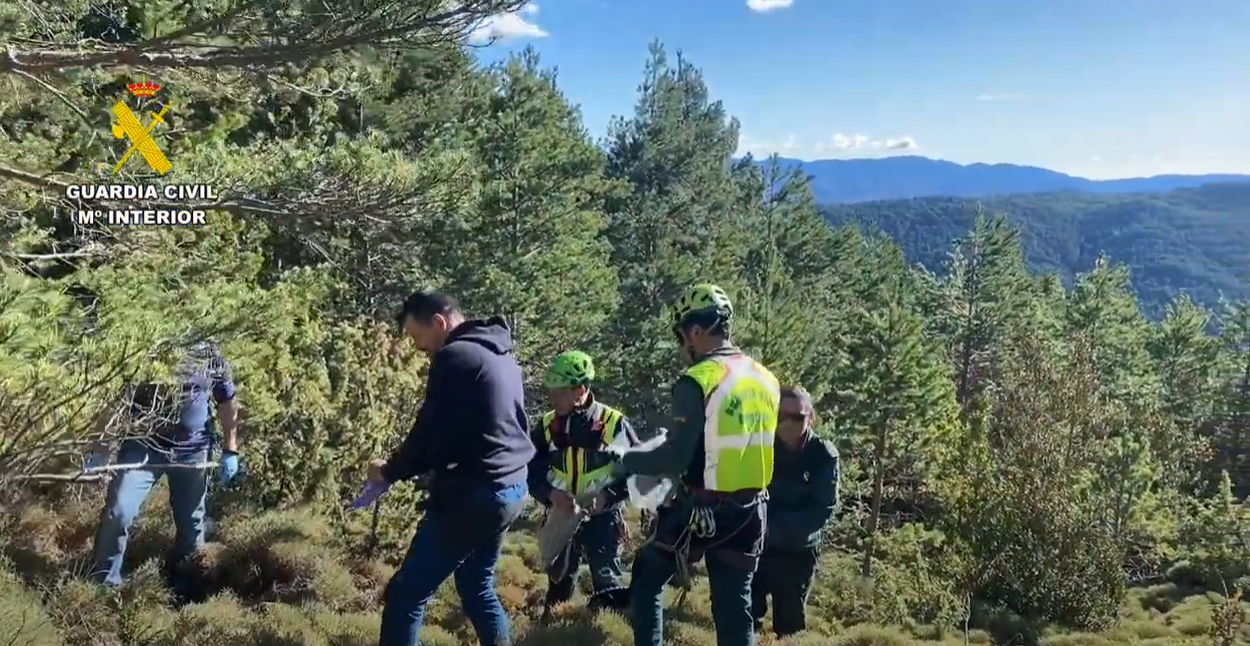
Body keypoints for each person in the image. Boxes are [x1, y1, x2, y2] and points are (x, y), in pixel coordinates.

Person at [613, 284, 780, 646]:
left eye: (681, 337)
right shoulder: (765, 377)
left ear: (695, 332)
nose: (682, 347)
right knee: (734, 606)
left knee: (646, 579)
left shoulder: (699, 379)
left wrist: (625, 461)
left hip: (703, 510)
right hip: (752, 510)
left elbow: (674, 458)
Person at [364, 291, 535, 646]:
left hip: (476, 495)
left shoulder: (454, 356)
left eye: (417, 337)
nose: (418, 347)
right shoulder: (500, 354)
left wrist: (389, 471)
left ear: (439, 323)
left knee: (406, 594)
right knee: (475, 583)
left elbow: (428, 435)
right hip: (512, 488)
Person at [90, 338, 241, 588]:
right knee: (119, 512)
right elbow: (113, 401)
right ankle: (104, 584)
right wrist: (100, 451)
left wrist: (230, 450)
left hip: (191, 453)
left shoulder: (208, 351)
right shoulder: (144, 343)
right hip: (142, 448)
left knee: (191, 524)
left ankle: (185, 586)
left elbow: (226, 402)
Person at [528, 350, 640, 619]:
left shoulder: (614, 424)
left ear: (580, 389)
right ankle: (551, 636)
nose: (553, 398)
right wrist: (550, 494)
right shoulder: (546, 426)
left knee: (608, 588)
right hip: (562, 517)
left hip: (604, 518)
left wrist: (608, 496)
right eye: (551, 391)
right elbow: (530, 469)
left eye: (560, 392)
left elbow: (638, 471)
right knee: (558, 587)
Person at [750, 386, 839, 637]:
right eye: (781, 415)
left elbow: (822, 510)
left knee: (789, 627)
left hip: (796, 552)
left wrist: (776, 528)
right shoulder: (761, 446)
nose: (787, 423)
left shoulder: (823, 455)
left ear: (811, 417)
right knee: (745, 617)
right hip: (757, 545)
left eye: (797, 417)